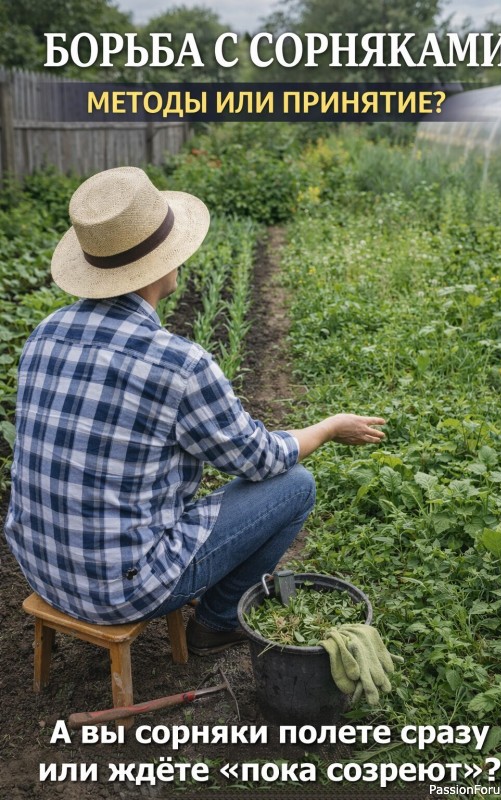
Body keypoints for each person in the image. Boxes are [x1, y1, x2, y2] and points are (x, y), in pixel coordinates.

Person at [4, 167, 386, 656]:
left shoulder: (46, 332)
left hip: (38, 566)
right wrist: (329, 427)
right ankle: (215, 622)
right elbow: (261, 459)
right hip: (120, 591)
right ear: (159, 266)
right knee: (295, 486)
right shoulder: (178, 363)